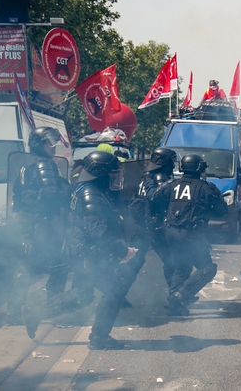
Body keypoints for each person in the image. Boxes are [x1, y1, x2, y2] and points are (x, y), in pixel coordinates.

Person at [65, 150, 135, 349]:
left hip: (84, 252)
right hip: (89, 254)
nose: (114, 177)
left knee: (82, 295)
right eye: (112, 173)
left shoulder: (89, 189)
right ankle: (99, 338)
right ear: (101, 173)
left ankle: (34, 311)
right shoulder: (90, 195)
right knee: (115, 290)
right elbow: (98, 232)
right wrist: (123, 251)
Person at [7, 127, 72, 338]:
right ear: (39, 145)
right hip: (39, 225)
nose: (53, 146)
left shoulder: (27, 168)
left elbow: (18, 198)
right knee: (61, 264)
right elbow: (53, 196)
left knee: (26, 266)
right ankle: (53, 310)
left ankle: (14, 311)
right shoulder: (45, 166)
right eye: (49, 142)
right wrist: (67, 190)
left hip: (27, 224)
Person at [150, 154, 228, 316]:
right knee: (207, 268)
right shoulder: (206, 187)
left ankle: (175, 306)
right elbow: (221, 211)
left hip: (170, 231)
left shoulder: (171, 184)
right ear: (200, 168)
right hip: (191, 234)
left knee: (181, 267)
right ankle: (181, 295)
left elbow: (154, 200)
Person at [127, 148, 177, 290]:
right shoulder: (159, 178)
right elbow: (156, 198)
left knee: (133, 262)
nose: (173, 166)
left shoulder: (147, 177)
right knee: (171, 262)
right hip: (154, 229)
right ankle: (176, 295)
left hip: (140, 226)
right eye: (171, 162)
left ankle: (117, 294)